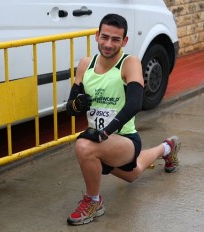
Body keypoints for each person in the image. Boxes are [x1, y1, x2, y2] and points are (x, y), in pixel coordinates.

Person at [65, 13, 181, 226]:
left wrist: (107, 132)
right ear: (96, 36)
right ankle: (167, 148)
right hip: (102, 141)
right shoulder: (85, 64)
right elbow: (70, 108)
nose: (109, 44)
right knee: (133, 174)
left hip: (124, 140)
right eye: (105, 37)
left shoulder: (130, 63)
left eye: (115, 39)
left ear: (124, 41)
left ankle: (93, 201)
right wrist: (77, 104)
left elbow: (134, 104)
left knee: (84, 146)